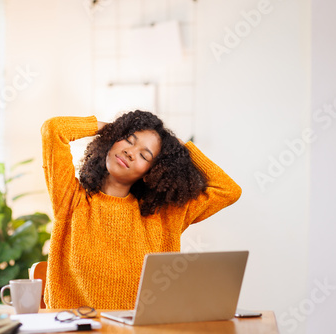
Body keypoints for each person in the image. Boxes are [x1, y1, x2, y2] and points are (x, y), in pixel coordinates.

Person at [41, 110, 241, 310]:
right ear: (112, 141)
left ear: (150, 173)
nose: (130, 152)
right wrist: (111, 128)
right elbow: (54, 129)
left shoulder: (163, 217)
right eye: (128, 140)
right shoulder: (70, 200)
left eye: (144, 155)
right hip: (73, 329)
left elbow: (228, 190)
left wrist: (183, 148)